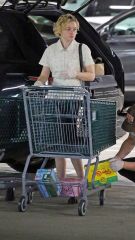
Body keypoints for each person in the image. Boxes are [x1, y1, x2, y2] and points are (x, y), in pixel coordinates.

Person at [34, 14, 95, 184]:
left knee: (70, 140)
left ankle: (80, 178)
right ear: (59, 30)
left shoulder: (82, 49)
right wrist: (37, 85)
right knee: (57, 141)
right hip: (54, 98)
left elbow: (91, 75)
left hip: (73, 98)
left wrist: (75, 74)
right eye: (68, 29)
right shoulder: (50, 50)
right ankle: (61, 180)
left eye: (75, 29)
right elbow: (44, 75)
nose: (72, 32)